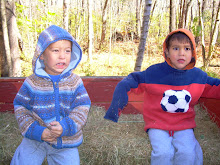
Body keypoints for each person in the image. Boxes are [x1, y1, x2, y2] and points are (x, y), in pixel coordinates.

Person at [104, 29, 220, 165]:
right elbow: (130, 81)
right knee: (164, 153)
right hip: (157, 124)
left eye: (187, 48)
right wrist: (116, 105)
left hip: (184, 125)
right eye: (176, 48)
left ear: (193, 52)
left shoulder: (198, 77)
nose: (181, 53)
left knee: (188, 152)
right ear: (167, 52)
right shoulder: (154, 73)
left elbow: (215, 87)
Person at [11, 25, 91, 165]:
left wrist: (66, 127)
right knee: (22, 161)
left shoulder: (75, 82)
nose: (62, 56)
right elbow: (21, 107)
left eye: (67, 51)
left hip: (66, 140)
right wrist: (37, 131)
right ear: (41, 54)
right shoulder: (32, 83)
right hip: (35, 139)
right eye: (55, 50)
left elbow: (82, 107)